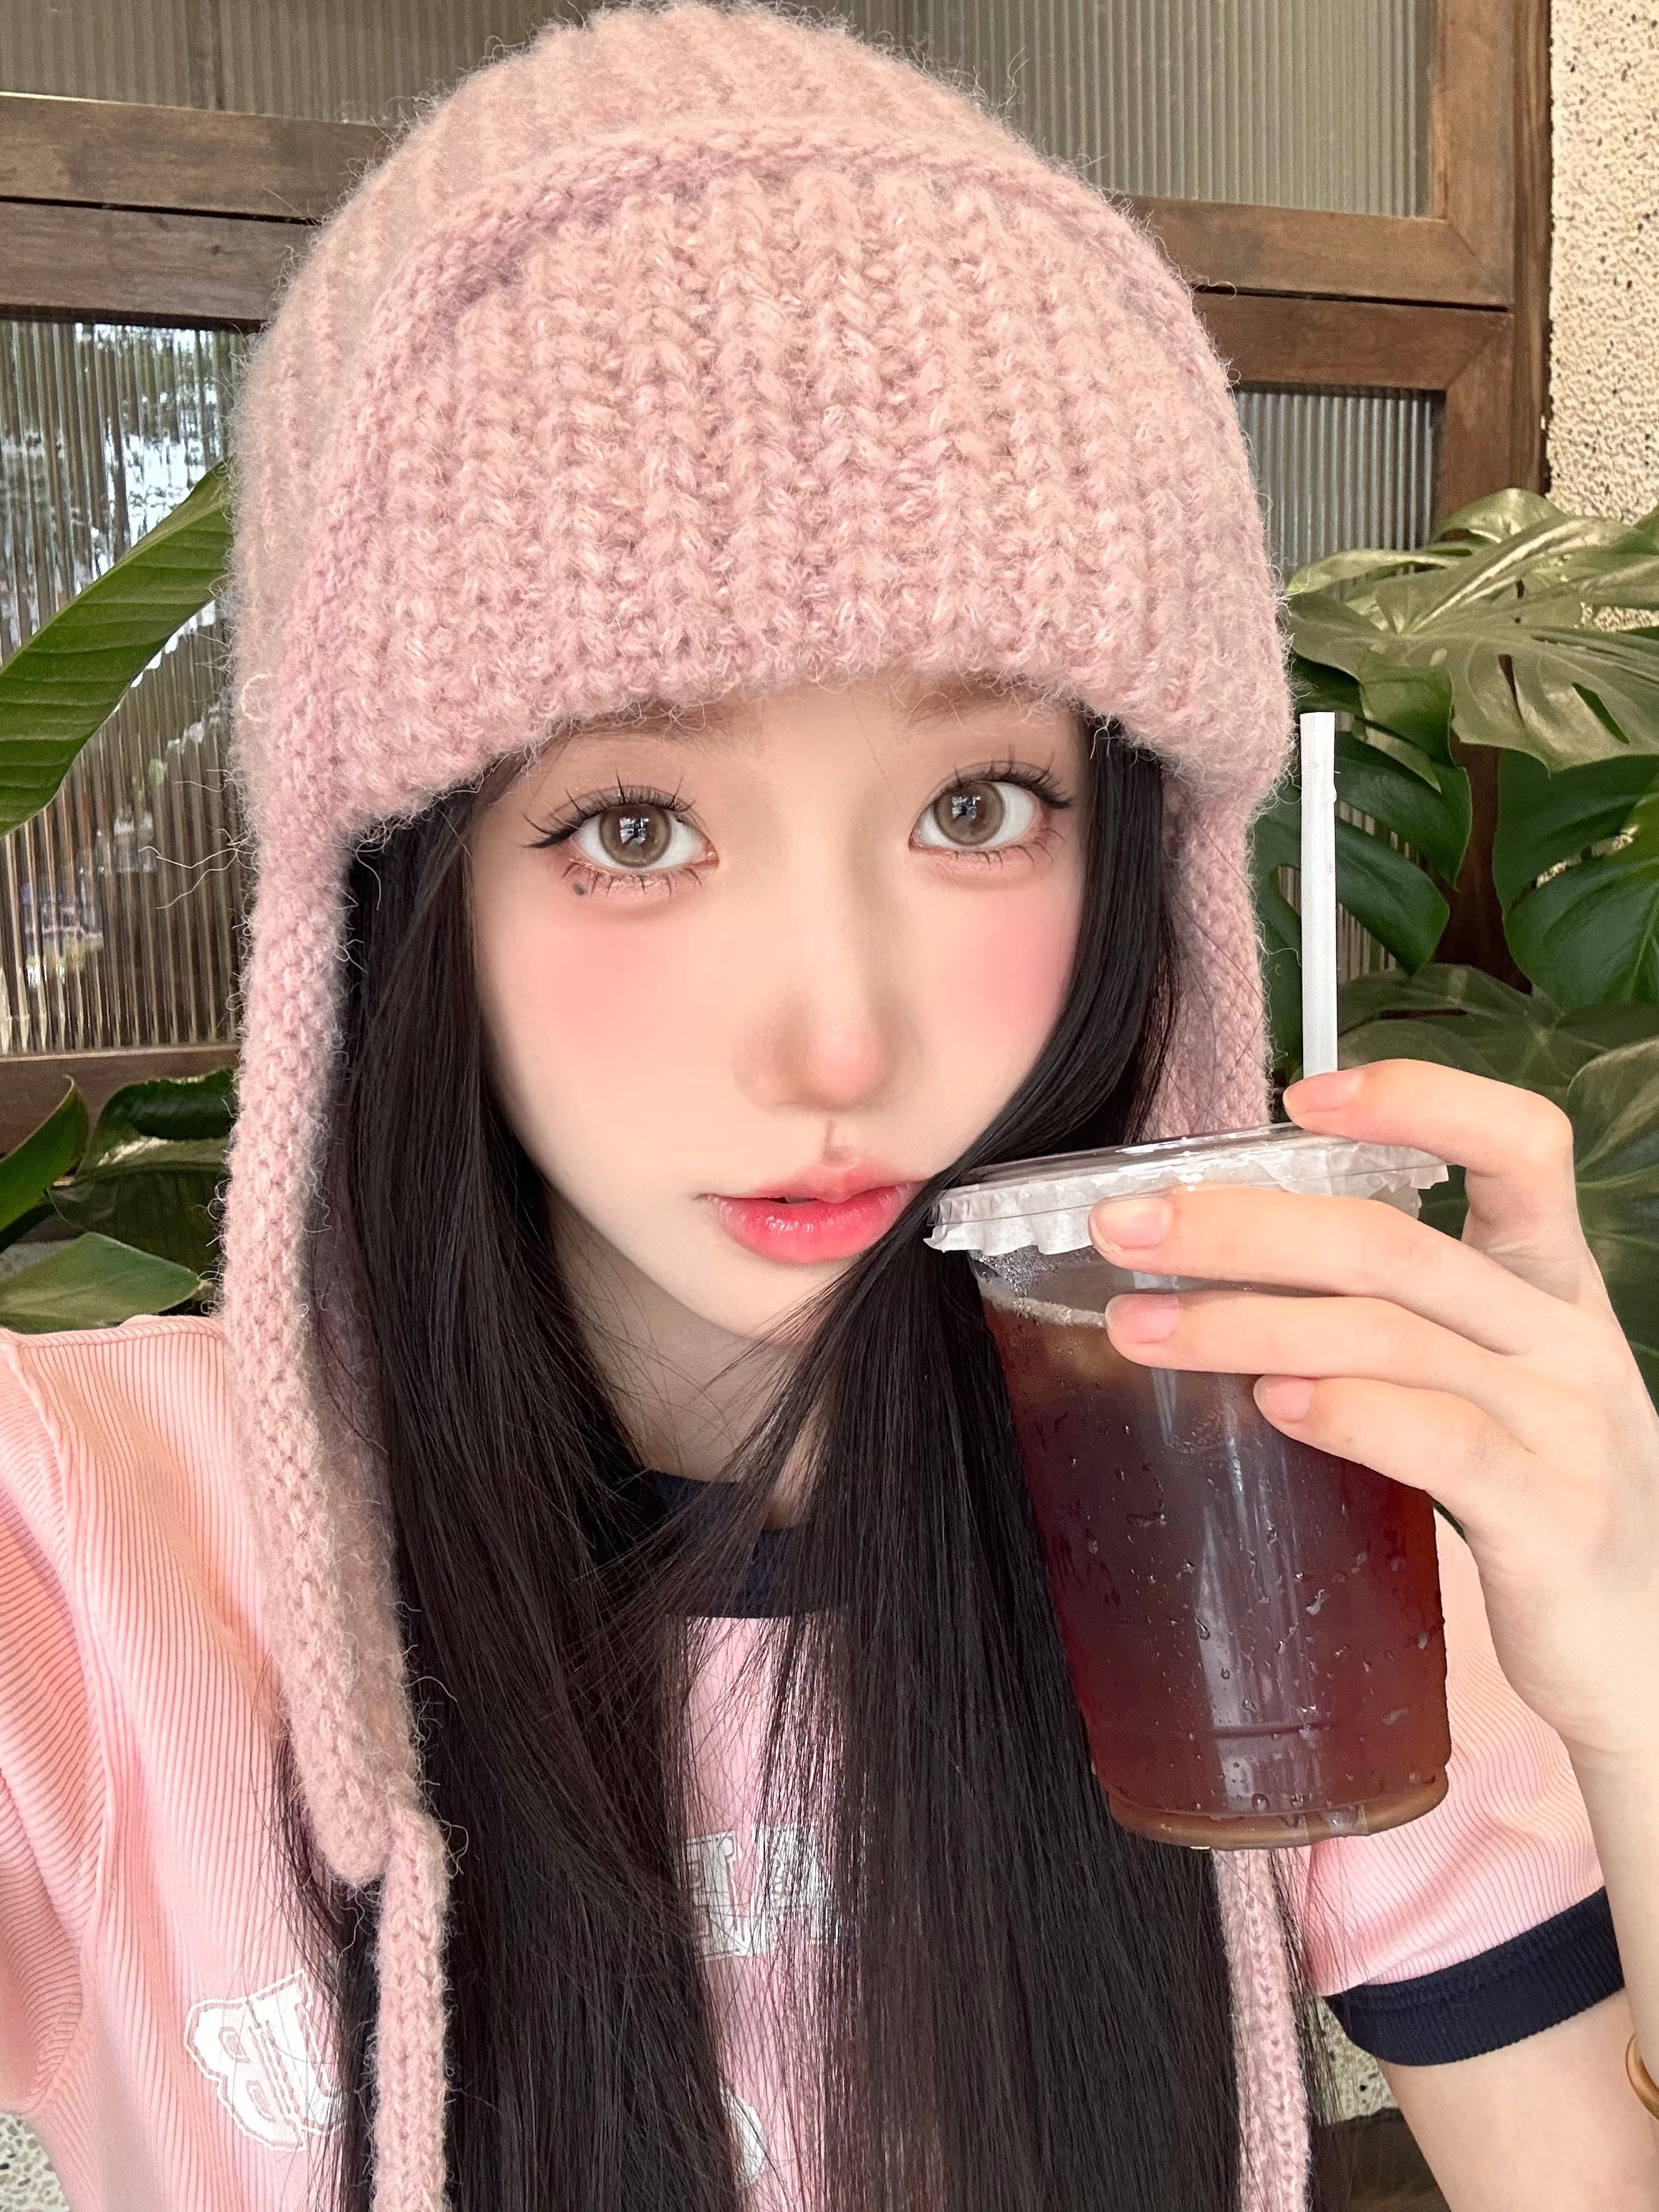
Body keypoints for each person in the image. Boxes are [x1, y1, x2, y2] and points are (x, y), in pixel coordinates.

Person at [1, 6, 1656, 2211]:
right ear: (399, 896)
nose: (836, 1046)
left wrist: (1634, 1680)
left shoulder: (1235, 1498)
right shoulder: (83, 1552)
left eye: (975, 806)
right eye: (631, 827)